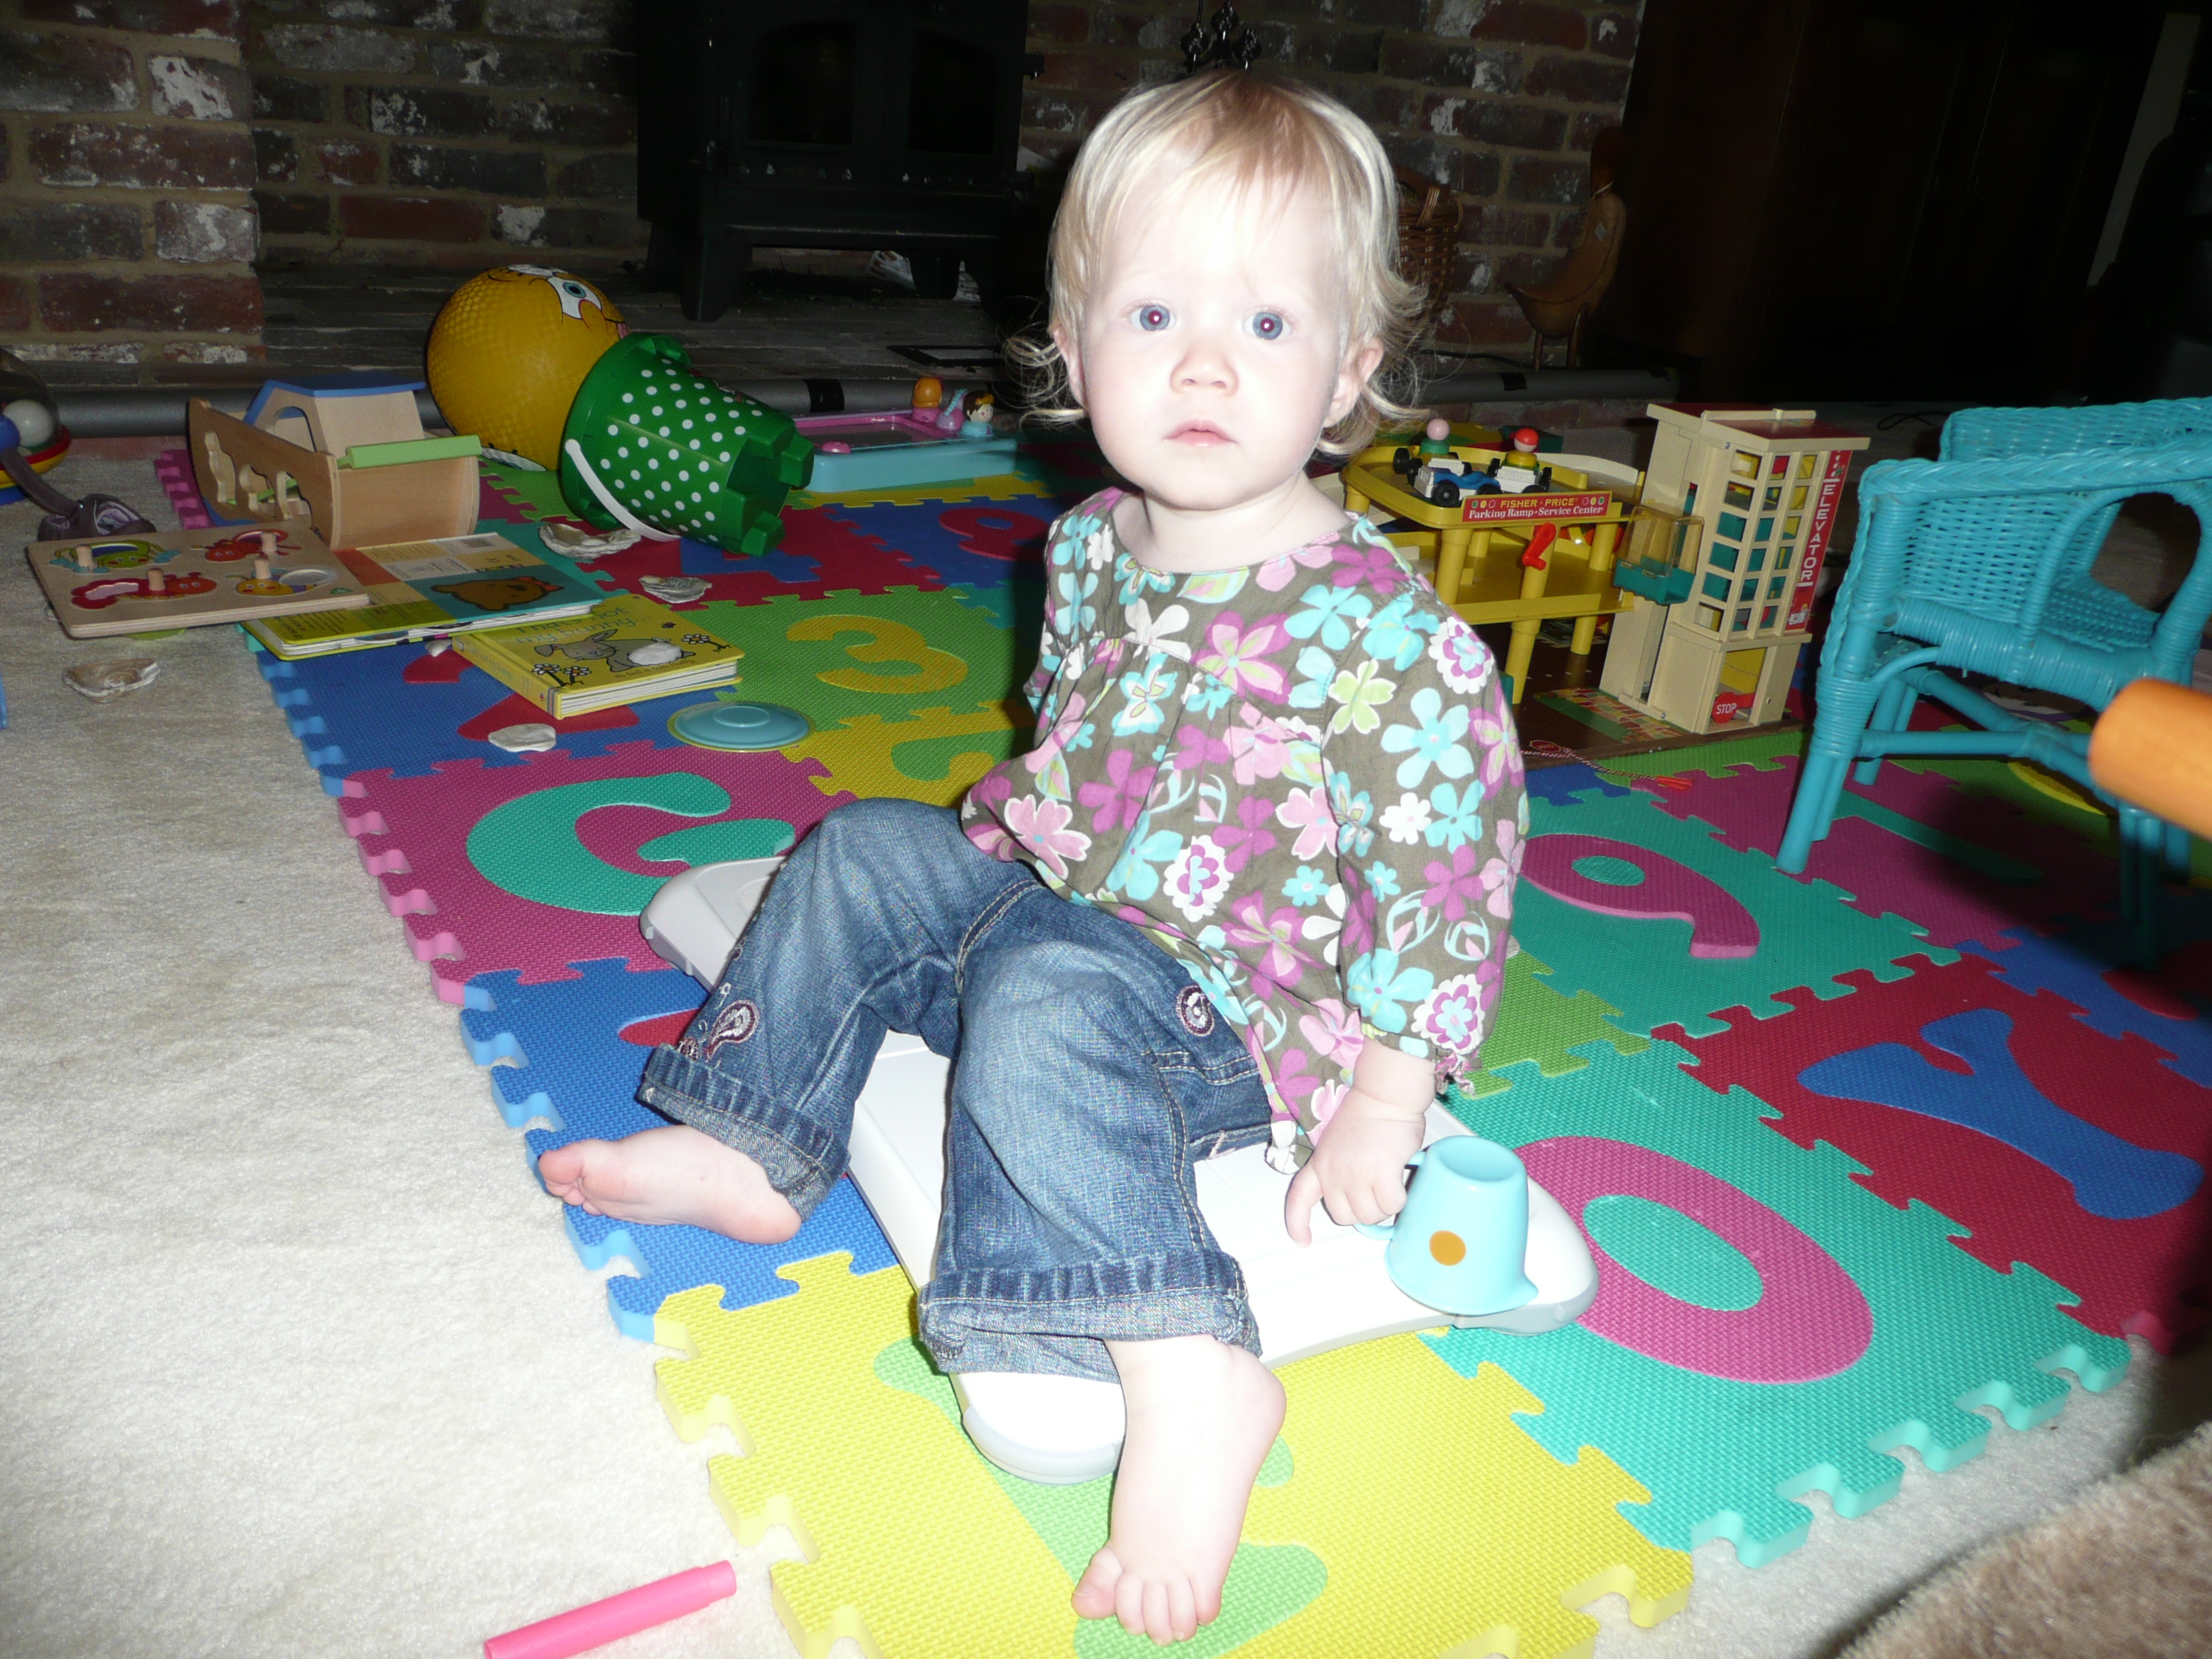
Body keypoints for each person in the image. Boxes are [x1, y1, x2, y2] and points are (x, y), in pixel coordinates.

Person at [538, 68, 1526, 1647]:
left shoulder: (1382, 637)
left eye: (1269, 324)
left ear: (1350, 368)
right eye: (1154, 315)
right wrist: (999, 863)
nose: (1204, 361)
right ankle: (750, 1143)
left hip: (1235, 1017)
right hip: (1070, 906)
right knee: (865, 847)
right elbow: (1077, 750)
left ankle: (1188, 1367)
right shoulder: (1086, 544)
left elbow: (1447, 878)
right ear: (1072, 348)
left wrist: (1387, 1101)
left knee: (1048, 994)